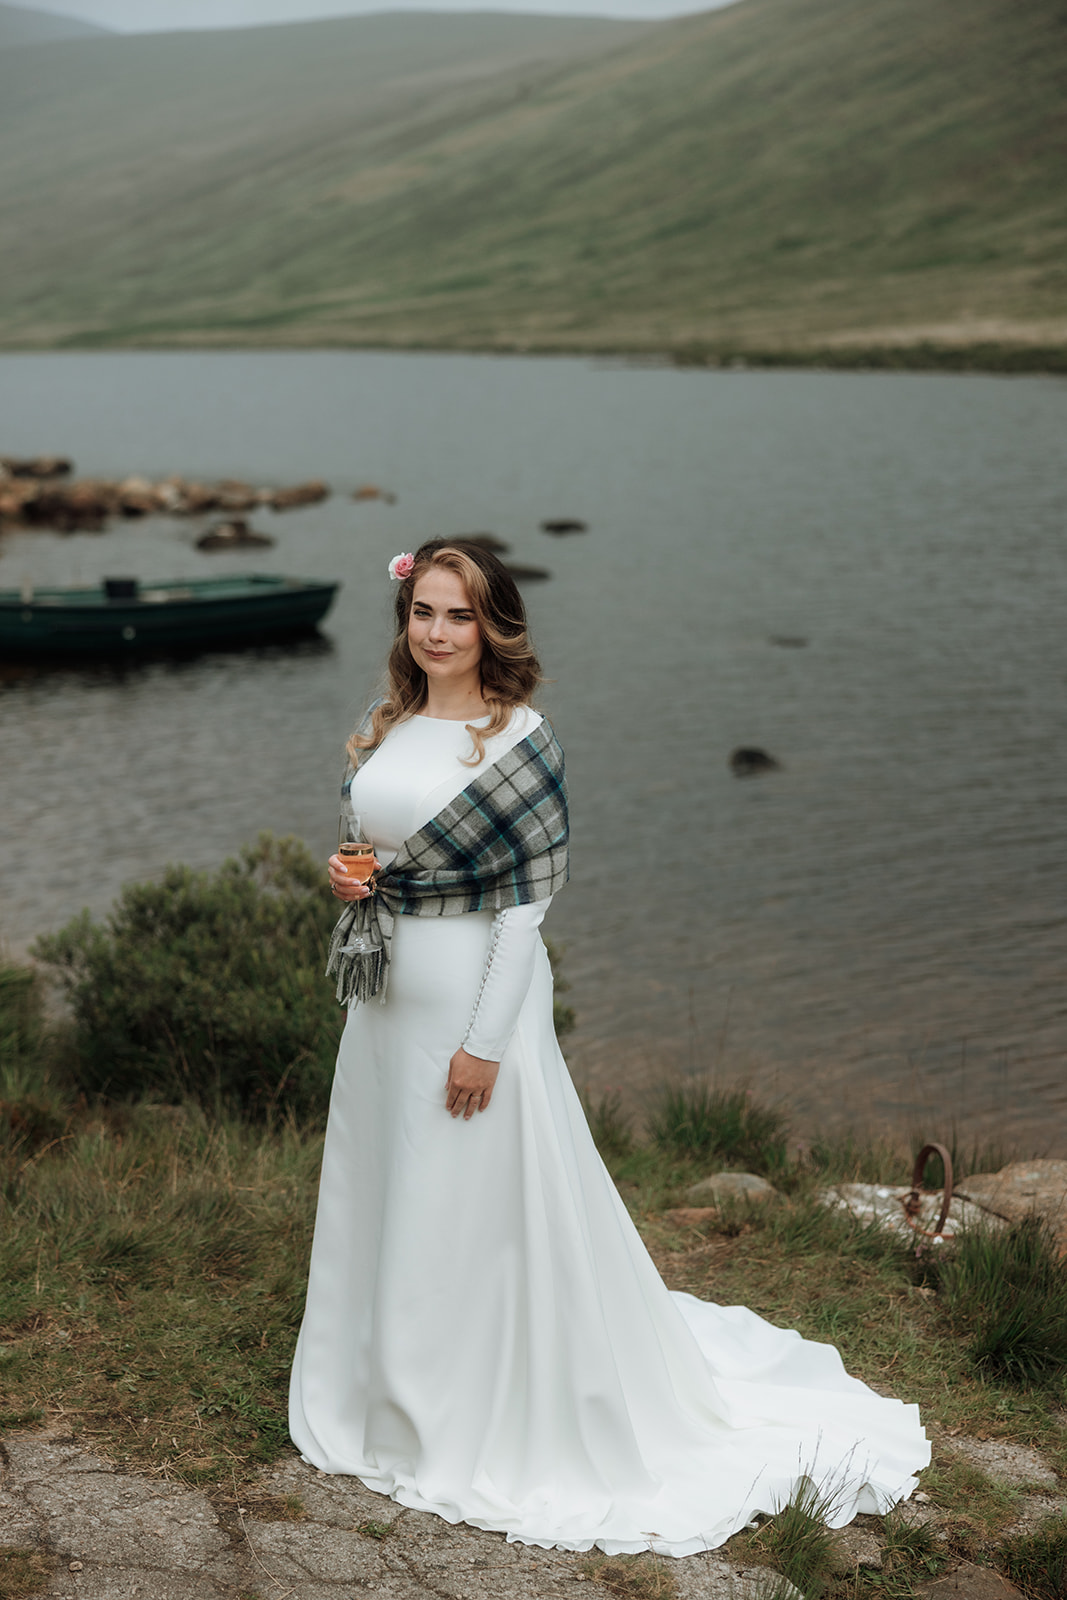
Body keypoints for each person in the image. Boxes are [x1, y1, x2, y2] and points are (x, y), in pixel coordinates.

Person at [288, 539, 929, 1557]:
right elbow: (384, 853)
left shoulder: (520, 740)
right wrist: (348, 879)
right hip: (381, 1005)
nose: (437, 633)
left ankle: (463, 1404)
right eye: (423, 614)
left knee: (468, 1199)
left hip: (467, 1008)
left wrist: (484, 1044)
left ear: (491, 626)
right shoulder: (388, 724)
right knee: (391, 1185)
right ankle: (375, 1386)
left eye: (458, 616)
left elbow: (520, 911)